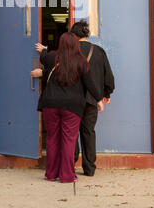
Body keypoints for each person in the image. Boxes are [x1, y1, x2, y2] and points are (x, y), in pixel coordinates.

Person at [36, 32, 103, 183]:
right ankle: (67, 175)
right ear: (76, 44)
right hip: (72, 106)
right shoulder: (82, 62)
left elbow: (43, 57)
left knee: (52, 138)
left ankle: (51, 174)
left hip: (51, 104)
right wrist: (99, 99)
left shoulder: (53, 57)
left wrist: (44, 49)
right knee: (69, 140)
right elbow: (90, 83)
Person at [70, 20, 115, 176]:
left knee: (72, 132)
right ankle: (89, 168)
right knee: (88, 132)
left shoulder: (70, 52)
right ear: (87, 34)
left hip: (72, 99)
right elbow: (108, 75)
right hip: (92, 99)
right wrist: (105, 94)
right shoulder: (99, 51)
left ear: (73, 35)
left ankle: (71, 164)